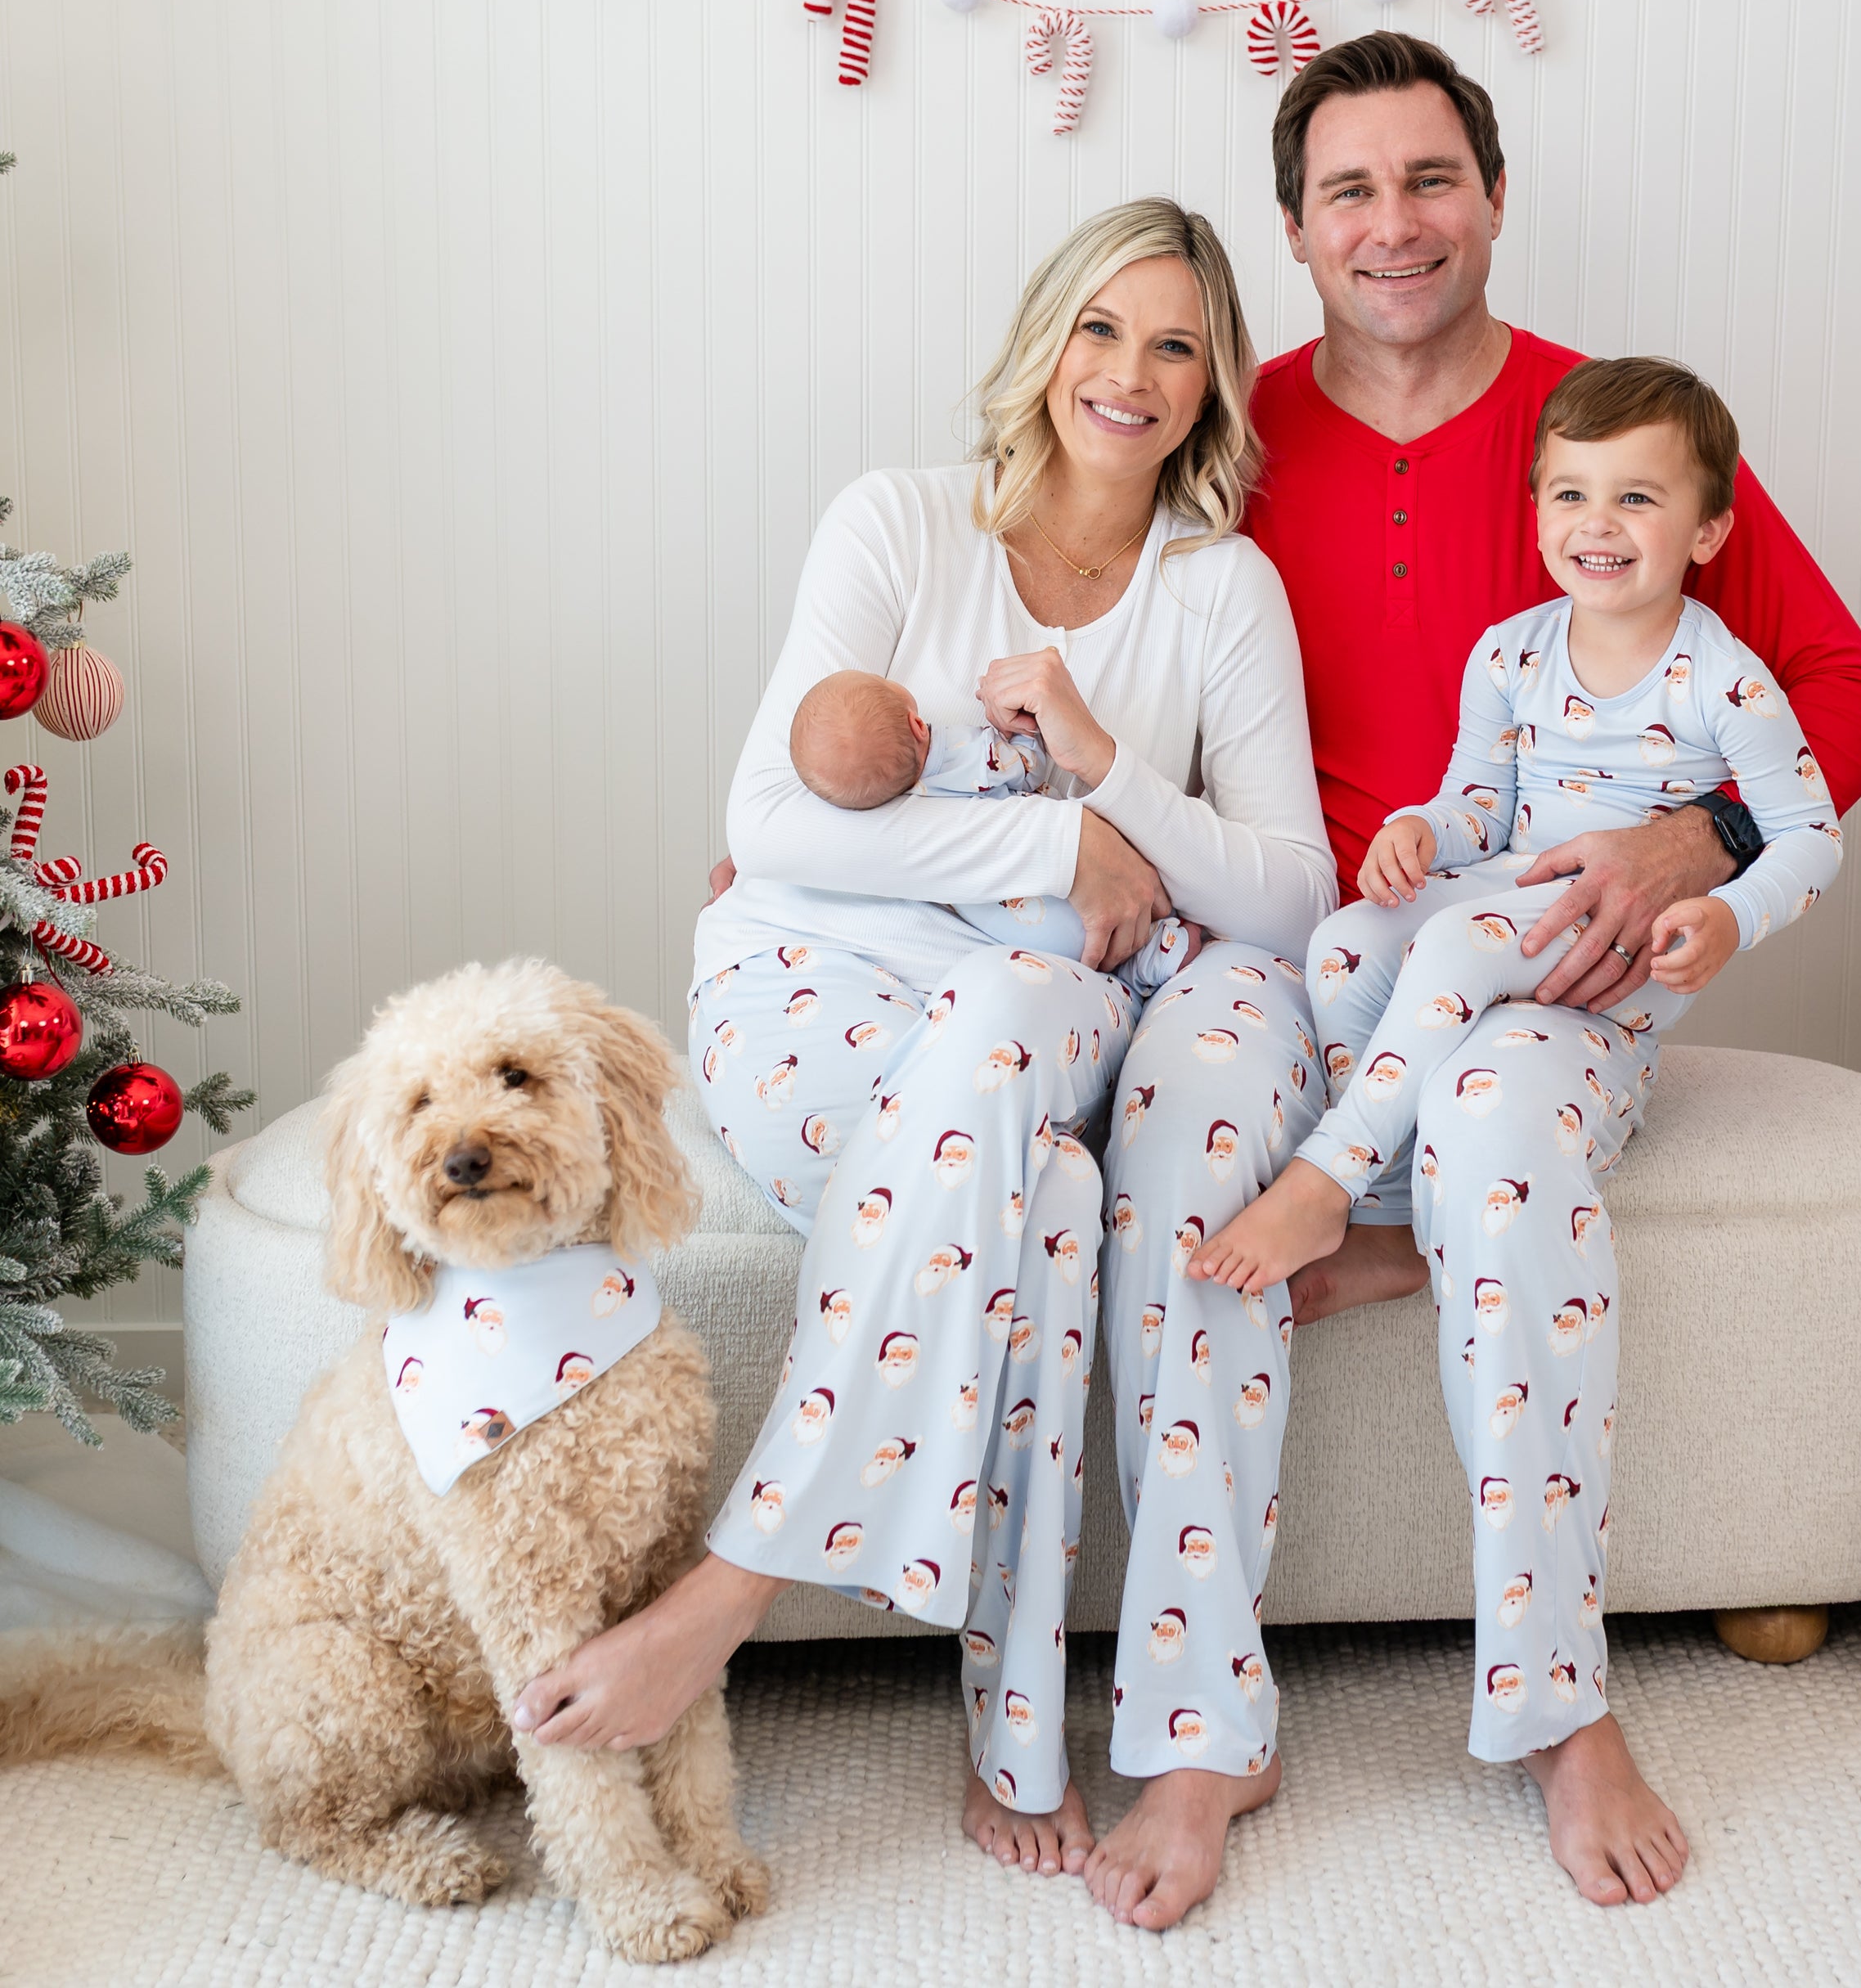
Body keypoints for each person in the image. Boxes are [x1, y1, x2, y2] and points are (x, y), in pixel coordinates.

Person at [506, 199, 1337, 1914]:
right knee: (1049, 1195)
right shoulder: (896, 521)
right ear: (1045, 340)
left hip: (1038, 994)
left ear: (1213, 385)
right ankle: (1011, 1726)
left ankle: (741, 1586)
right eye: (1100, 328)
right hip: (813, 979)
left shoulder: (1220, 589)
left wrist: (1109, 783)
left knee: (1015, 1043)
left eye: (1175, 345)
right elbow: (771, 826)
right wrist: (1060, 848)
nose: (1129, 372)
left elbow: (1284, 890)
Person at [1225, 31, 1861, 1911]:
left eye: (1429, 178)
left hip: (1559, 977)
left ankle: (1561, 1701)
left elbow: (1846, 699)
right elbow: (1079, 619)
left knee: (1502, 1130)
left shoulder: (1607, 441)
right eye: (1349, 190)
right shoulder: (1229, 430)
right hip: (1322, 959)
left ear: (1495, 197)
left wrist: (1692, 840)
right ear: (1293, 228)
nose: (1393, 223)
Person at [1193, 352, 1842, 1298]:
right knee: (1345, 944)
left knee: (1456, 943)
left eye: (1637, 499)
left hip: (1622, 941)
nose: (1598, 523)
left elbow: (1812, 836)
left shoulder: (1728, 682)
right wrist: (1422, 830)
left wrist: (1731, 917)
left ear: (1709, 530)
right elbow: (1481, 806)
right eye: (1571, 493)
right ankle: (1388, 1216)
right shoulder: (1510, 654)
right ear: (1536, 508)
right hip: (1521, 891)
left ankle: (1324, 1178)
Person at [786, 669, 1199, 994]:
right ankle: (1163, 946)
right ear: (916, 724)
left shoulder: (894, 812)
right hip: (1057, 887)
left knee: (1094, 949)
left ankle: (1143, 968)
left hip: (1008, 927)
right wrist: (1022, 730)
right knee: (1119, 922)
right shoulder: (960, 752)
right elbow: (1025, 769)